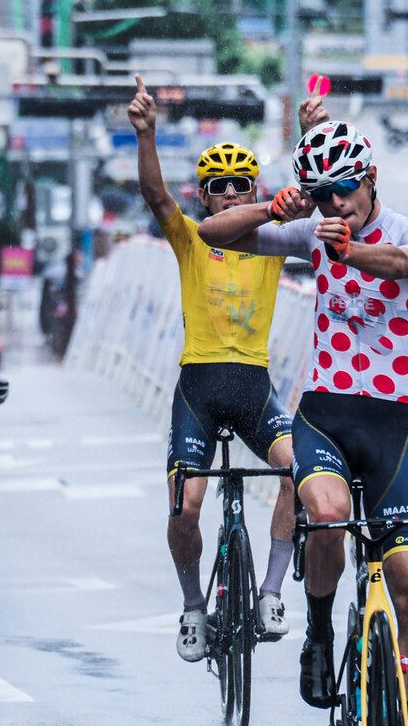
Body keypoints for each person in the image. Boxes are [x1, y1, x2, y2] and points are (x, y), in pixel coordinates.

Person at [197, 118, 408, 726]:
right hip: (325, 417)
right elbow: (211, 232)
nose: (338, 203)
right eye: (324, 193)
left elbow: (398, 263)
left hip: (394, 428)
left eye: (347, 188)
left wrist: (347, 251)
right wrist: (271, 208)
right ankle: (319, 633)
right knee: (328, 516)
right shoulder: (313, 230)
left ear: (372, 178)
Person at [127, 74, 327, 663]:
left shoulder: (271, 241)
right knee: (184, 507)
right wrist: (146, 135)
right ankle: (193, 606)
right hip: (199, 389)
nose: (233, 196)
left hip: (254, 390)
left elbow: (312, 198)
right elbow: (155, 195)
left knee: (303, 474)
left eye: (243, 186)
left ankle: (268, 593)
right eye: (220, 189)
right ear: (205, 198)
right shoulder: (192, 239)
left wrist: (312, 135)